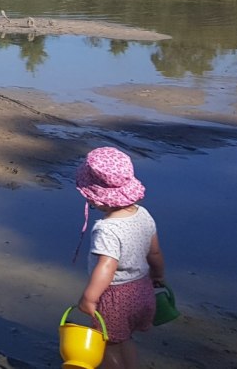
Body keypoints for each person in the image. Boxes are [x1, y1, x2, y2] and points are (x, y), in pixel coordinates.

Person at [74, 147, 165, 369]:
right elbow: (154, 252)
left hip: (115, 297)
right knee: (124, 340)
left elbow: (107, 266)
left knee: (107, 345)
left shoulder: (107, 228)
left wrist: (90, 297)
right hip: (142, 290)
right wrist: (158, 275)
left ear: (98, 198)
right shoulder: (143, 214)